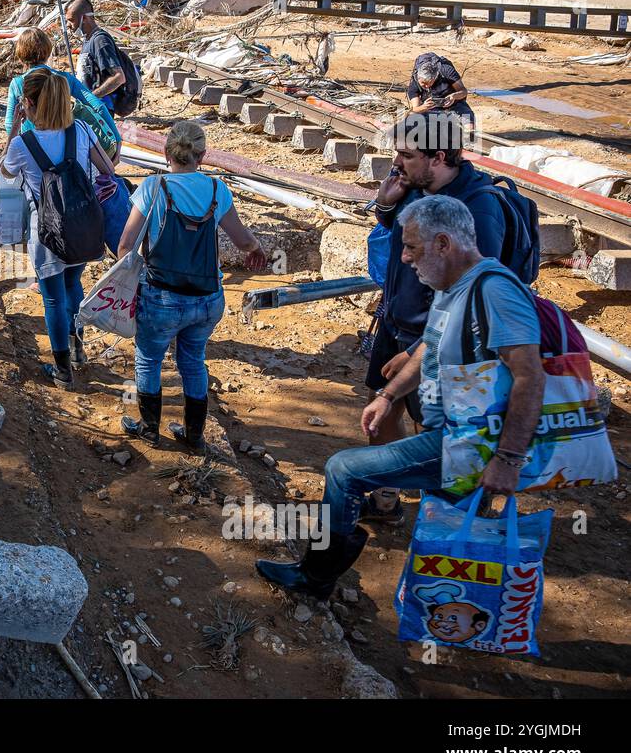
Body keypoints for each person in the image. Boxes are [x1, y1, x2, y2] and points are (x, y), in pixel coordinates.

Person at [256, 195, 545, 600]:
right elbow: (430, 343)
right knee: (444, 523)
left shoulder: (496, 292)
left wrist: (509, 458)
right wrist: (389, 396)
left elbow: (530, 377)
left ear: (443, 244)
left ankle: (316, 577)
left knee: (343, 470)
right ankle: (444, 609)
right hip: (458, 432)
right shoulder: (453, 284)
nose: (405, 258)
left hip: (473, 442)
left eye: (412, 247)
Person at [361, 111, 510, 522]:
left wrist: (418, 353)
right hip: (396, 323)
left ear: (439, 156)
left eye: (406, 155)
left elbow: (474, 292)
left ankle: (455, 516)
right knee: (383, 405)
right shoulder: (416, 189)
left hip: (442, 340)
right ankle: (387, 497)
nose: (396, 163)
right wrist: (385, 208)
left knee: (441, 430)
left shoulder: (478, 209)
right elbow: (404, 242)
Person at [116, 121, 267, 446]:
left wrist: (131, 279)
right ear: (203, 155)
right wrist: (256, 248)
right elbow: (242, 241)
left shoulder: (153, 188)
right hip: (206, 298)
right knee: (193, 359)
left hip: (161, 297)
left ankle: (149, 429)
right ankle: (194, 434)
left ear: (166, 152)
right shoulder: (217, 190)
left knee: (149, 359)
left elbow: (125, 246)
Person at [0, 68, 115, 389]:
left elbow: (5, 174)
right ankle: (78, 350)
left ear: (30, 103)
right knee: (73, 287)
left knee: (52, 299)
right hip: (82, 225)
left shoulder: (23, 144)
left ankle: (63, 370)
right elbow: (107, 166)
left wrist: (14, 131)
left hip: (47, 232)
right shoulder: (80, 129)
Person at [4, 27, 131, 254]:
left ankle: (47, 263)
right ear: (47, 51)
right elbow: (96, 105)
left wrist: (14, 142)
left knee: (40, 206)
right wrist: (115, 138)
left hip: (34, 153)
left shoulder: (18, 83)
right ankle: (77, 249)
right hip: (68, 148)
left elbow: (9, 124)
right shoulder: (63, 79)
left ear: (21, 54)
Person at [65, 0, 136, 119]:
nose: (68, 25)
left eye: (71, 20)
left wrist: (90, 98)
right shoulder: (88, 40)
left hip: (100, 112)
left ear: (85, 18)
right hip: (92, 110)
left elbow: (118, 77)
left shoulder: (100, 41)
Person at [407, 52, 474, 134]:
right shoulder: (414, 84)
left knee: (470, 127)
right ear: (418, 77)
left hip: (456, 105)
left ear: (435, 77)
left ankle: (468, 143)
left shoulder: (446, 71)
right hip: (432, 110)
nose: (426, 86)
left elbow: (464, 91)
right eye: (423, 83)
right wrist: (424, 107)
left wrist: (454, 96)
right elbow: (414, 110)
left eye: (429, 83)